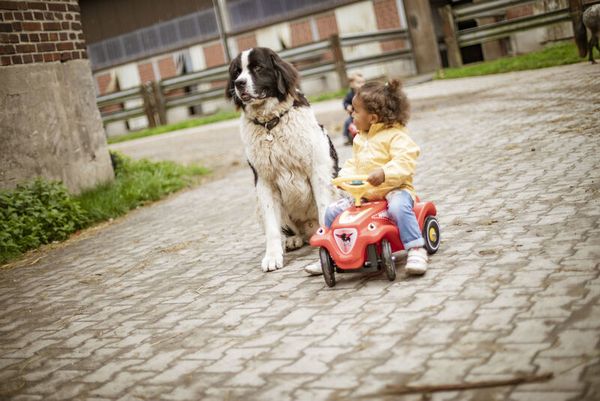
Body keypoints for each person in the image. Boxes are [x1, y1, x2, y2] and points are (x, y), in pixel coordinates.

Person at [306, 79, 429, 275]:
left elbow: (406, 160)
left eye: (356, 111)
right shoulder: (360, 138)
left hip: (394, 191)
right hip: (364, 196)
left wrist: (385, 173)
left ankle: (416, 248)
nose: (351, 114)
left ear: (372, 117)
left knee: (398, 207)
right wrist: (343, 179)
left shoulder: (396, 136)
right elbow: (354, 164)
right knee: (332, 211)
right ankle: (330, 253)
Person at [342, 73, 365, 145]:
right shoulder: (350, 95)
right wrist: (347, 106)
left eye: (363, 82)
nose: (362, 84)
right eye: (359, 82)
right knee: (347, 122)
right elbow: (345, 102)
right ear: (352, 84)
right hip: (353, 115)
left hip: (364, 114)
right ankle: (345, 136)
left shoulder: (365, 93)